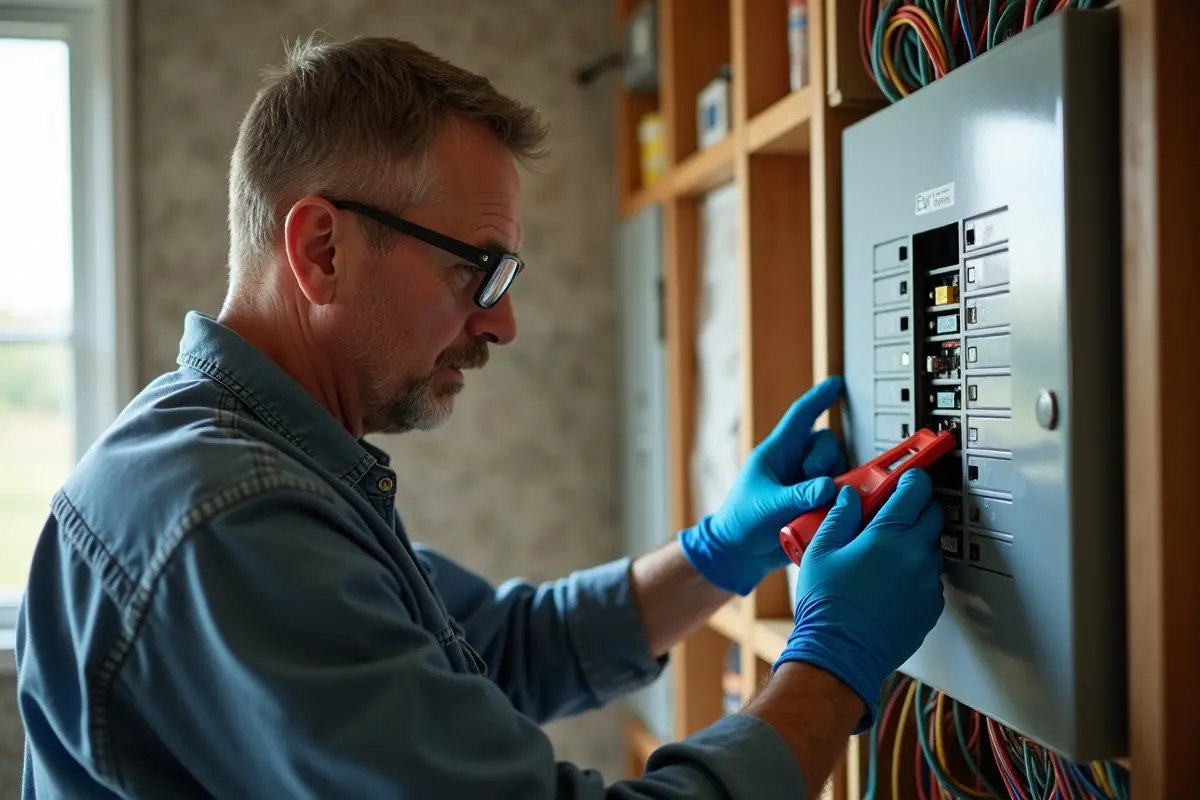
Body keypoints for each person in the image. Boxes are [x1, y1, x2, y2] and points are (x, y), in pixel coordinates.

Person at [14, 35, 945, 799]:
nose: (502, 321)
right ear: (322, 249)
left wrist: (714, 556)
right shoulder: (230, 517)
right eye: (479, 269)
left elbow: (504, 648)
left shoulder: (259, 461)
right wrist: (833, 664)